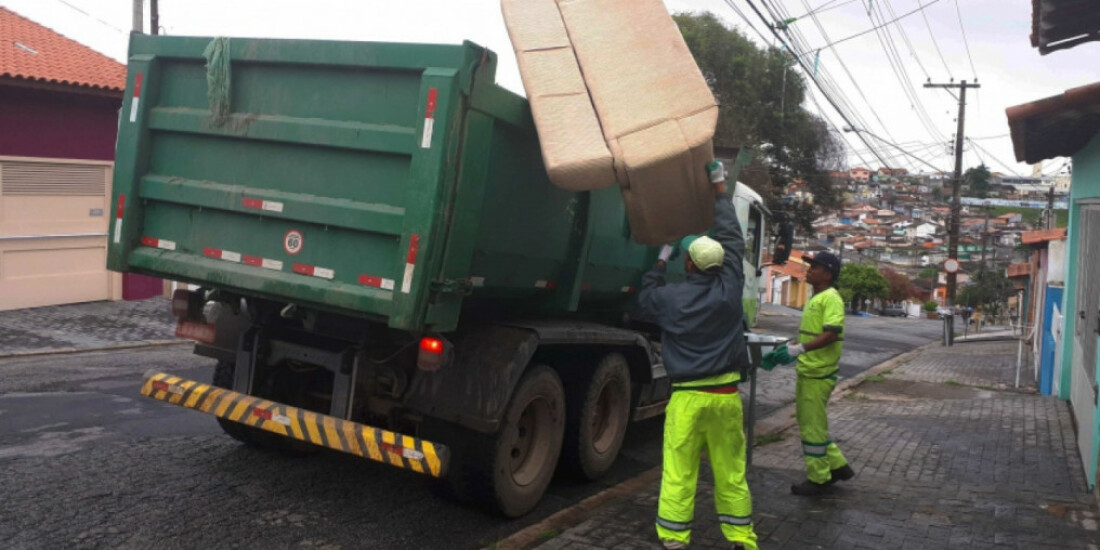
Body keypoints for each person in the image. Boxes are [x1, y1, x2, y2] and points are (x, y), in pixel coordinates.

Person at [638, 160, 758, 550]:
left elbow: (646, 296)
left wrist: (661, 257)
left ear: (688, 264)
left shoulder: (670, 300)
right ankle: (741, 536)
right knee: (731, 472)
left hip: (687, 399)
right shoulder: (728, 291)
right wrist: (720, 188)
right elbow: (733, 240)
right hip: (725, 400)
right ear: (722, 266)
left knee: (678, 471)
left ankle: (673, 540)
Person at [762, 251, 855, 496]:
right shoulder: (818, 298)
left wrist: (798, 349)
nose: (808, 270)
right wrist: (790, 347)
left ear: (827, 273)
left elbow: (831, 333)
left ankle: (819, 478)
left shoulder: (830, 298)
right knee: (811, 424)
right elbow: (812, 334)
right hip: (811, 370)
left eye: (814, 267)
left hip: (818, 373)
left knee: (812, 428)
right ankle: (838, 466)